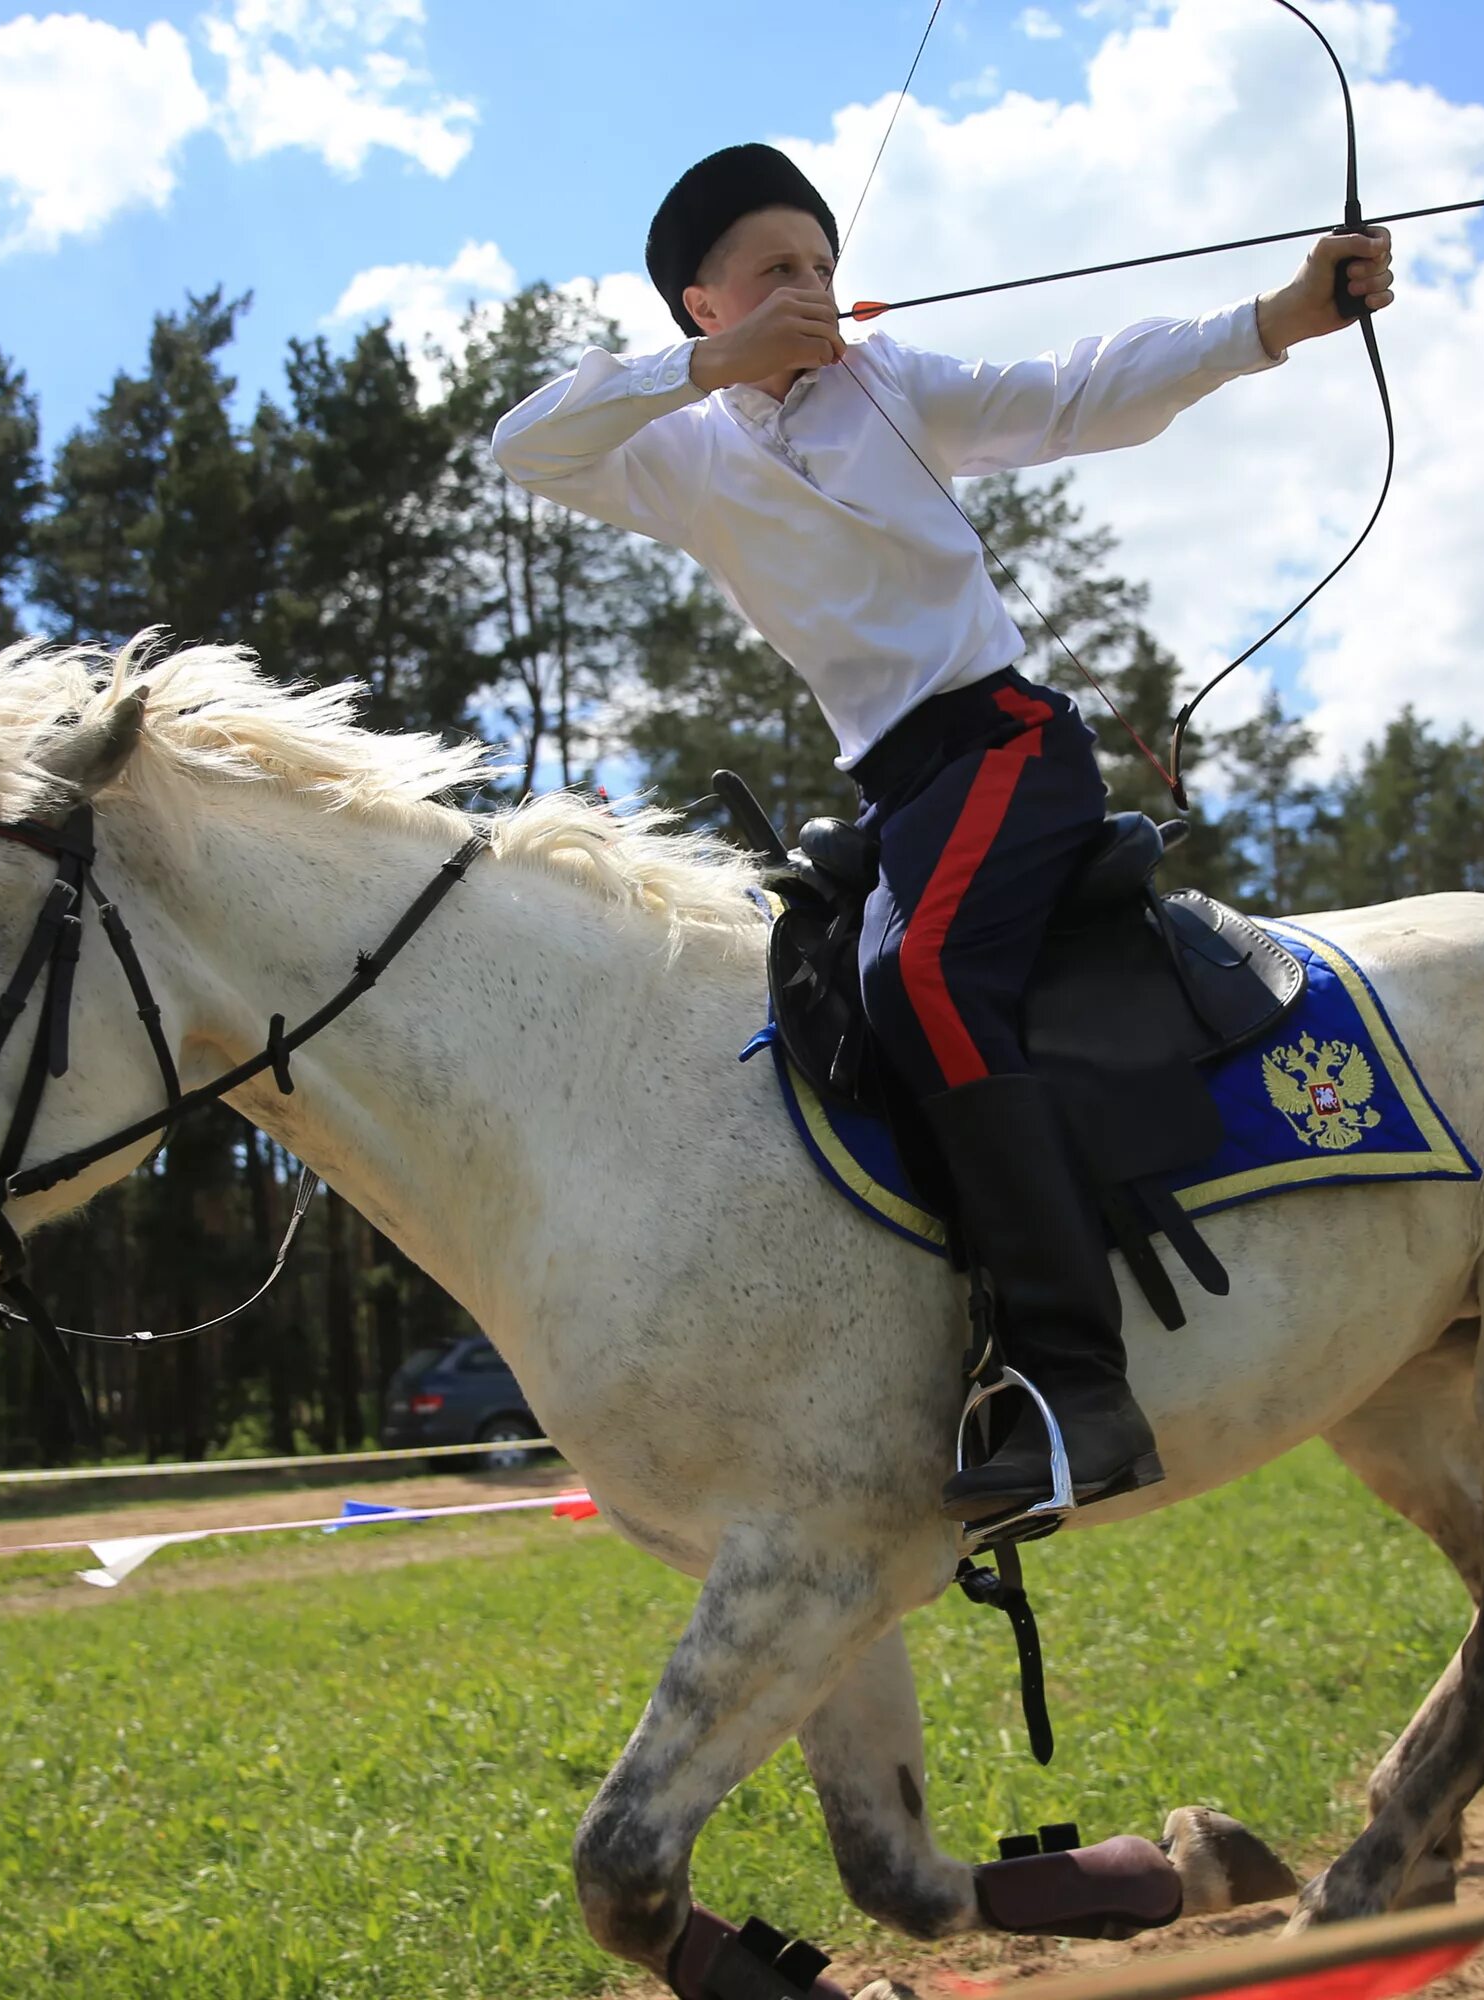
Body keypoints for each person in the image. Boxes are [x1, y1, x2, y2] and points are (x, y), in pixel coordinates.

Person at [492, 143, 1393, 1527]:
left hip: (1007, 744)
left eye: (823, 266)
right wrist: (704, 377)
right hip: (897, 788)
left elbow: (1081, 390)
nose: (813, 289)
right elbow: (522, 446)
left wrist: (1278, 318)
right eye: (775, 271)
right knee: (839, 1002)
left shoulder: (893, 383)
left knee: (922, 978)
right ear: (702, 304)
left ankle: (1078, 1387)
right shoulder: (678, 451)